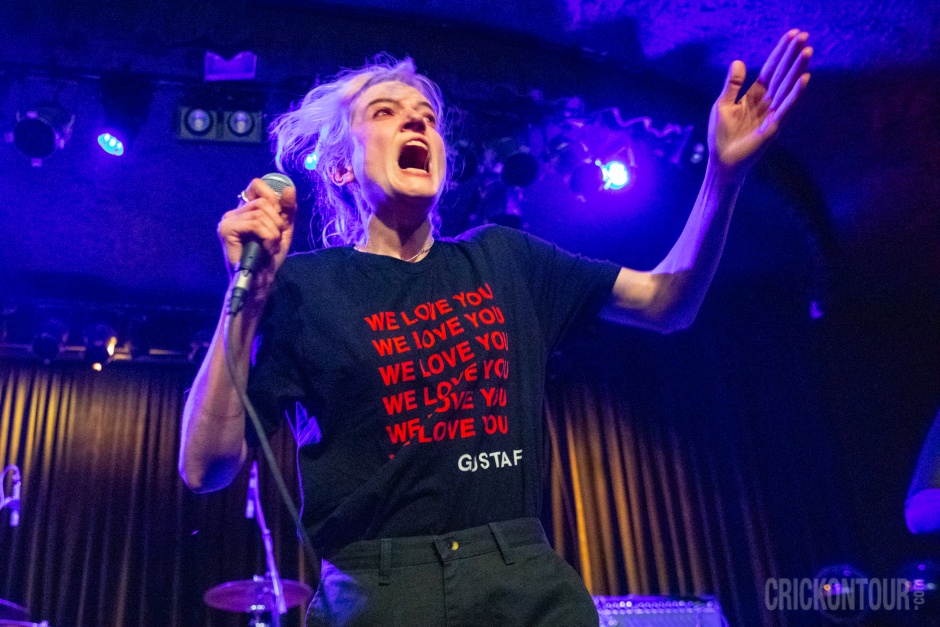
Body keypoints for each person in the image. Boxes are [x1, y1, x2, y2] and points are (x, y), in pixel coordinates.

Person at [179, 30, 812, 627]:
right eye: (385, 113)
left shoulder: (505, 259)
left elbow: (667, 302)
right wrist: (248, 299)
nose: (417, 123)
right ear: (340, 167)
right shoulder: (301, 287)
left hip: (524, 580)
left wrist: (723, 176)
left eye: (427, 116)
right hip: (382, 592)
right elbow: (205, 467)